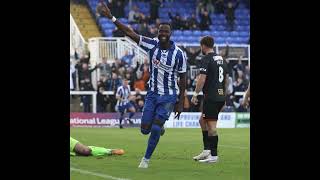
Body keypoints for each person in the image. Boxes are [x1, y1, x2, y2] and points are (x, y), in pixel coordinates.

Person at [100, 2, 187, 168]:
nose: (162, 34)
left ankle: (145, 159)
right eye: (160, 31)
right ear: (158, 32)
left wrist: (181, 102)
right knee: (145, 129)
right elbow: (129, 32)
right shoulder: (152, 44)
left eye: (165, 32)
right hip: (152, 94)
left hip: (169, 96)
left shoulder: (179, 54)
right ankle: (158, 128)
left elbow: (183, 78)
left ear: (170, 34)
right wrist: (111, 17)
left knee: (154, 128)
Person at [191, 36, 228, 163]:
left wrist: (195, 94)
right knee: (202, 121)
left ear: (203, 45)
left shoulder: (206, 59)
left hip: (211, 97)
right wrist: (225, 97)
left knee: (211, 127)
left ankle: (214, 156)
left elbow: (202, 79)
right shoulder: (221, 59)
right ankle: (207, 150)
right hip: (220, 96)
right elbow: (226, 80)